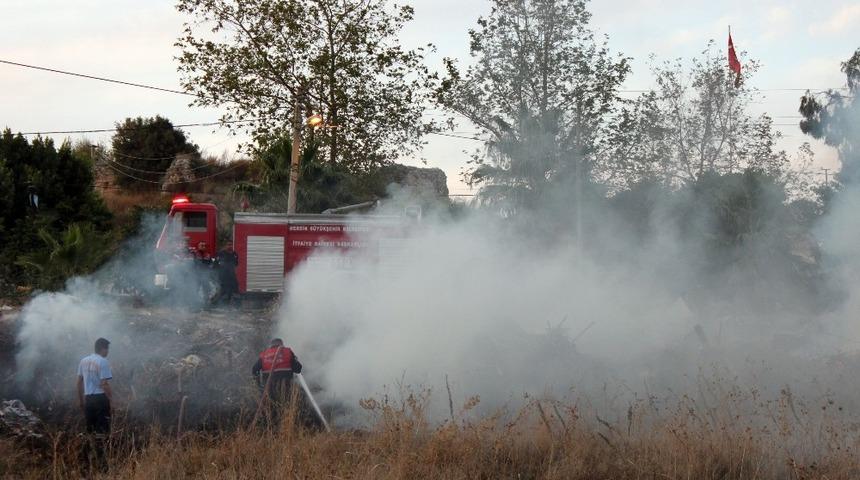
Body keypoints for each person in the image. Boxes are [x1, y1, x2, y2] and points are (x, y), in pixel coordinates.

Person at [77, 338, 113, 434]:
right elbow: (104, 384)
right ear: (102, 349)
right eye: (107, 349)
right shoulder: (103, 361)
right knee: (103, 430)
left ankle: (92, 448)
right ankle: (101, 448)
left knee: (91, 429)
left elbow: (79, 383)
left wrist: (81, 401)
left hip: (88, 399)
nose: (108, 351)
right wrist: (111, 399)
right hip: (101, 399)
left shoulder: (83, 361)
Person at [252, 338, 302, 403]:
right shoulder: (288, 352)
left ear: (271, 345)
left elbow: (254, 369)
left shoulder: (264, 354)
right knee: (290, 401)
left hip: (269, 389)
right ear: (281, 344)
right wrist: (295, 360)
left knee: (271, 406)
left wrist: (259, 384)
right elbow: (298, 369)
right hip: (286, 388)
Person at [214, 241, 240, 305]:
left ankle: (231, 304)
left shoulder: (234, 254)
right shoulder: (221, 253)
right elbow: (215, 264)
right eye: (228, 245)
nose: (230, 246)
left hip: (231, 275)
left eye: (231, 245)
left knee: (234, 288)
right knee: (223, 290)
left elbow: (236, 264)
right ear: (225, 246)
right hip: (223, 275)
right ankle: (216, 303)